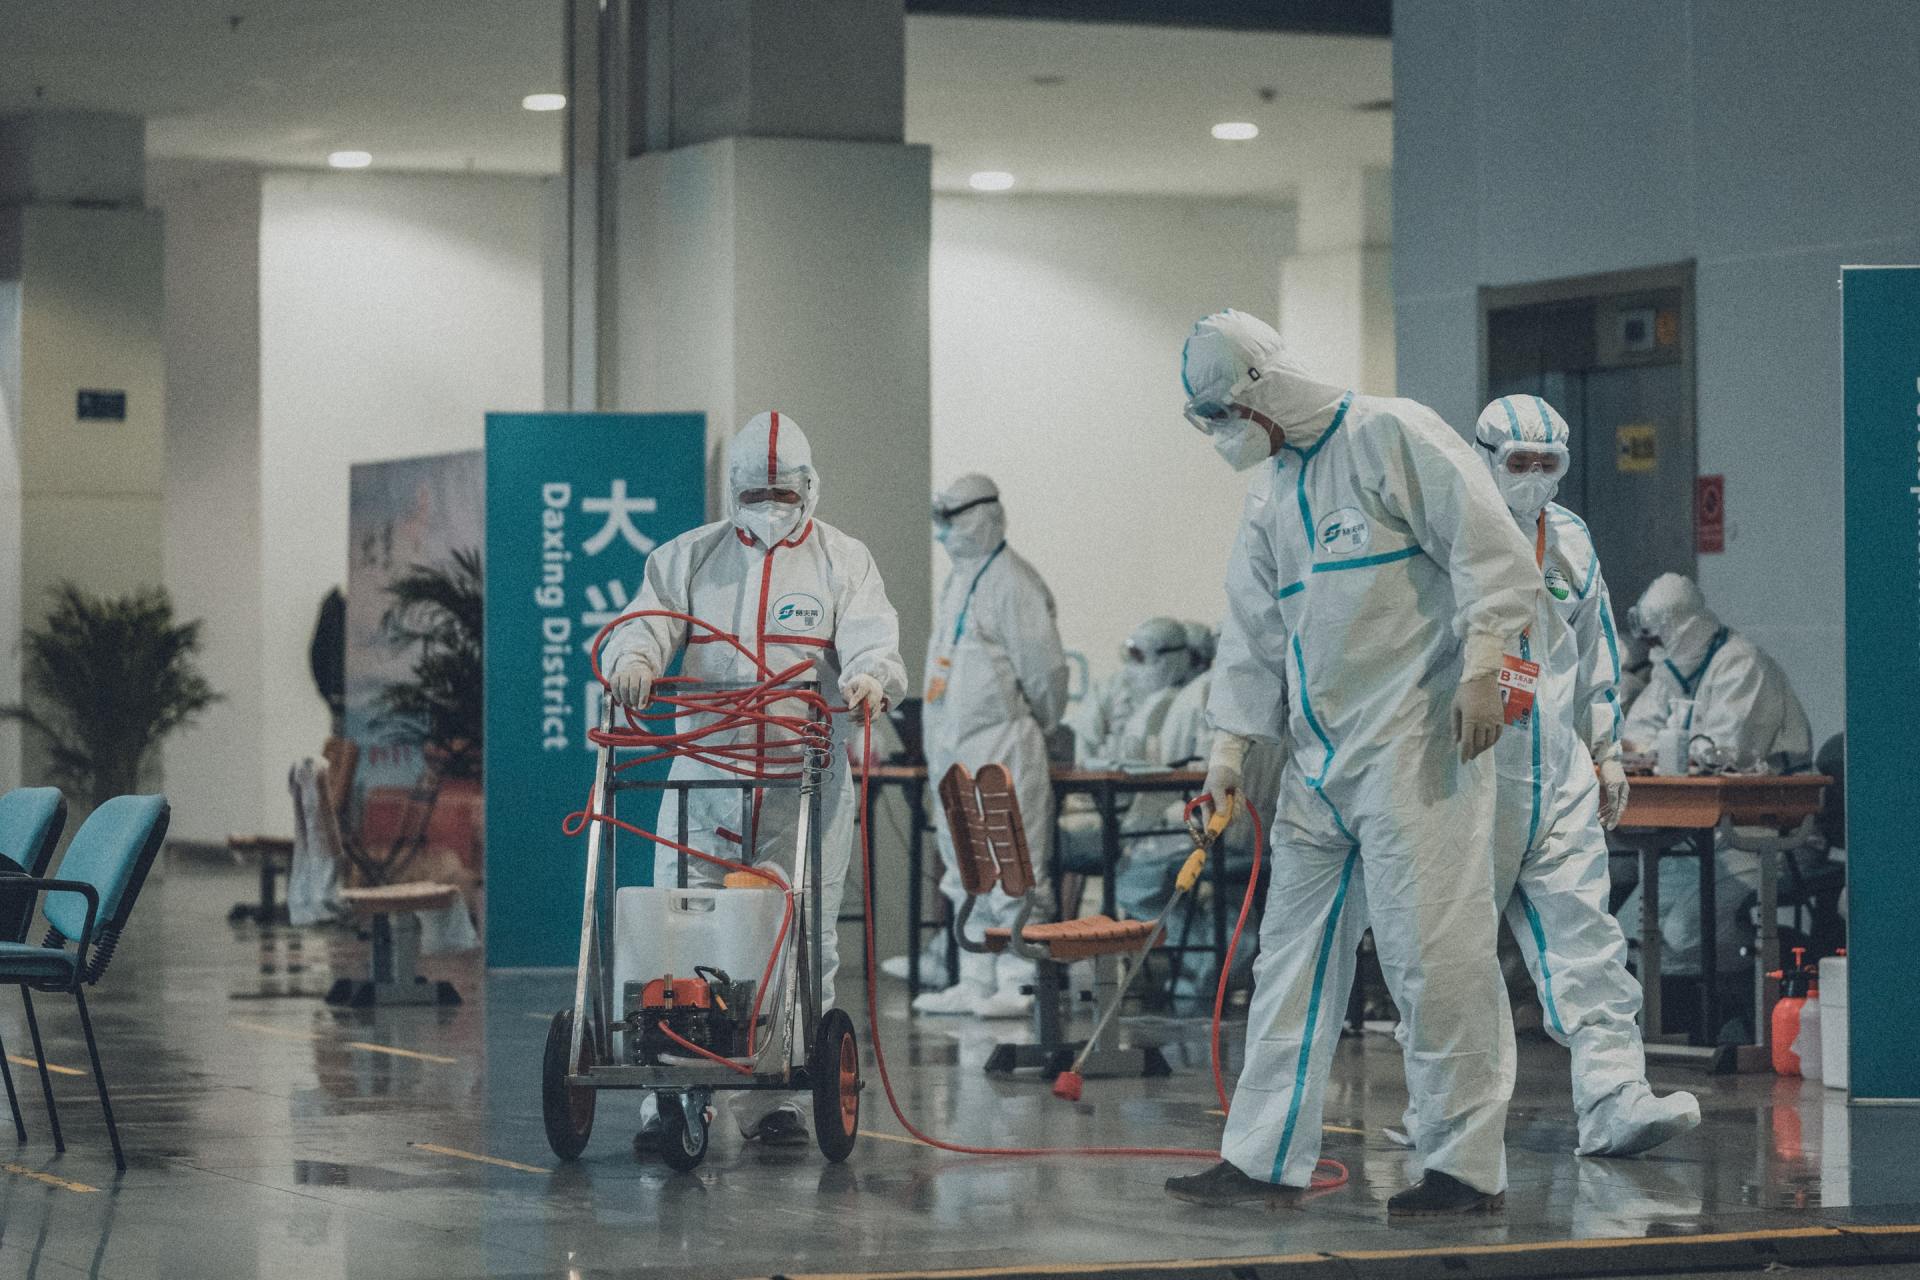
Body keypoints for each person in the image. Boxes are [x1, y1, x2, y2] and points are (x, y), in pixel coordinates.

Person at [1162, 309, 1541, 1216]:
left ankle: (1464, 1166)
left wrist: (1488, 661)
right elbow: (1252, 638)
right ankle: (1261, 1156)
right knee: (1289, 959)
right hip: (1318, 766)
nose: (1217, 436)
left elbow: (1488, 548)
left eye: (1220, 414)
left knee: (1433, 957)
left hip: (1419, 748)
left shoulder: (1391, 434)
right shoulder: (1268, 496)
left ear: (1261, 391)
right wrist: (1228, 747)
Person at [1390, 395, 1696, 1156]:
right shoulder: (1439, 531)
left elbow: (1592, 655)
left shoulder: (1571, 540)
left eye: (1546, 464)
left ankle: (1614, 1100)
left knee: (1588, 942)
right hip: (1467, 769)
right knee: (1451, 954)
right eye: (1515, 463)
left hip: (1555, 773)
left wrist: (1606, 749)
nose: (1530, 478)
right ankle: (1440, 1117)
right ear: (1482, 455)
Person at [602, 410, 908, 1150]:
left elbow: (875, 641)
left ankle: (778, 1100)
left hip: (802, 782)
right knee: (679, 929)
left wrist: (869, 681)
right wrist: (634, 663)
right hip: (701, 780)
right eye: (756, 493)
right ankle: (670, 1100)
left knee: (799, 937)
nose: (771, 508)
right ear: (730, 489)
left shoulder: (843, 560)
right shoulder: (690, 559)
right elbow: (640, 626)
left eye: (784, 492)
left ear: (810, 487)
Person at [907, 474, 1071, 1019]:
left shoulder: (1012, 581)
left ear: (980, 514)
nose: (944, 528)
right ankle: (975, 977)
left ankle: (1019, 977)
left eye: (952, 516)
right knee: (965, 866)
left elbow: (1045, 673)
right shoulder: (958, 580)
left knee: (1013, 862)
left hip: (1005, 745)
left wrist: (1038, 725)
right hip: (954, 750)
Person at [1616, 573, 1813, 983]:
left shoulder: (1741, 666)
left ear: (1680, 629)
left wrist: (1665, 751)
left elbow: (1730, 757)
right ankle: (1676, 1029)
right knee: (1625, 934)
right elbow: (1634, 738)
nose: (1650, 649)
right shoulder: (1672, 673)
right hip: (1704, 838)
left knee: (1685, 932)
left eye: (1656, 638)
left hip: (1768, 837)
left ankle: (1741, 1010)